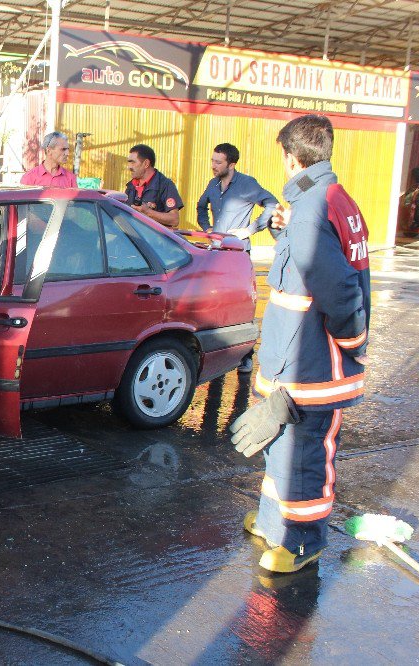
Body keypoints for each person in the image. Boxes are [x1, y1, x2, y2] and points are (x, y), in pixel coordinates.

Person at [236, 115, 370, 574]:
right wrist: (283, 228)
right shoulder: (326, 200)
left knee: (304, 455)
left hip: (312, 366)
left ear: (291, 159)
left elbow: (340, 291)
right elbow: (305, 265)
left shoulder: (313, 208)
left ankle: (302, 541)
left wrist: (353, 341)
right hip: (294, 360)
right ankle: (276, 523)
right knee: (281, 447)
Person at [196, 143, 279, 373]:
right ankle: (217, 356)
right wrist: (207, 229)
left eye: (218, 162)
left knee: (240, 306)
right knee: (214, 304)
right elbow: (201, 207)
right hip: (215, 253)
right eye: (212, 161)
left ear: (231, 164)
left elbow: (272, 204)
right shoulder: (213, 184)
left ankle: (245, 357)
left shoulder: (246, 184)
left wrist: (251, 229)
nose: (213, 166)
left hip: (238, 255)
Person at [124, 144, 183, 228]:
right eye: (129, 162)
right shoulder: (131, 186)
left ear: (146, 164)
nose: (129, 167)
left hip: (155, 240)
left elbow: (174, 219)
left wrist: (148, 212)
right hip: (132, 238)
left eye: (132, 162)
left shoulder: (165, 185)